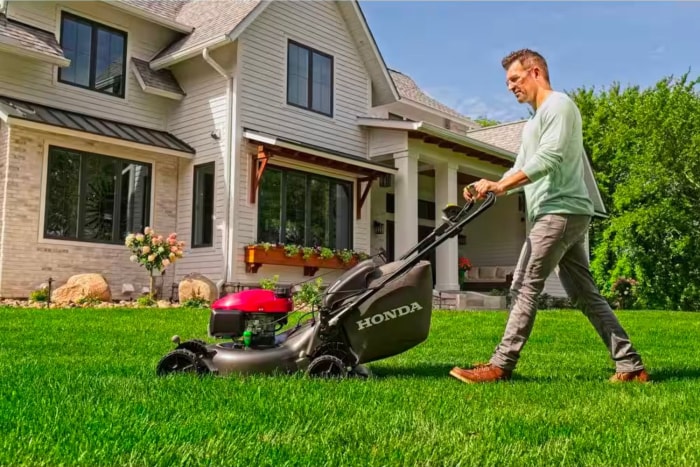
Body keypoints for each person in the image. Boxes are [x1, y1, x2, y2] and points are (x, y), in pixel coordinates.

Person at [450, 49, 649, 384]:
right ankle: (630, 366)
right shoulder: (534, 121)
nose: (510, 87)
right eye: (508, 82)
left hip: (561, 210)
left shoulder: (559, 106)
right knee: (584, 294)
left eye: (515, 78)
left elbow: (550, 157)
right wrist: (492, 185)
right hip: (561, 212)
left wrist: (501, 186)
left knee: (524, 284)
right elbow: (521, 166)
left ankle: (500, 365)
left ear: (536, 72)